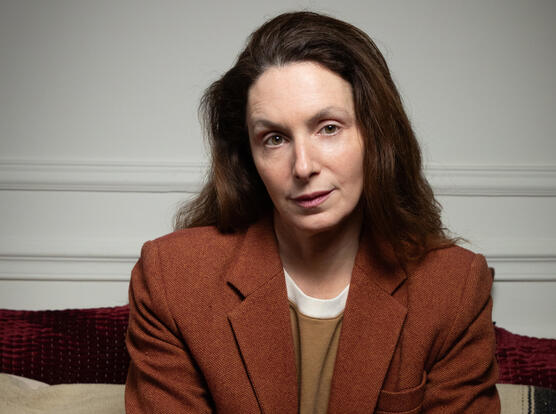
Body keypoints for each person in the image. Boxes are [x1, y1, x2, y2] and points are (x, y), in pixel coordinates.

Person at [125, 11, 500, 414]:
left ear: (377, 135)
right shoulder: (173, 278)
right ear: (249, 157)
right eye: (274, 138)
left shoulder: (453, 287)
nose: (303, 167)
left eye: (329, 128)